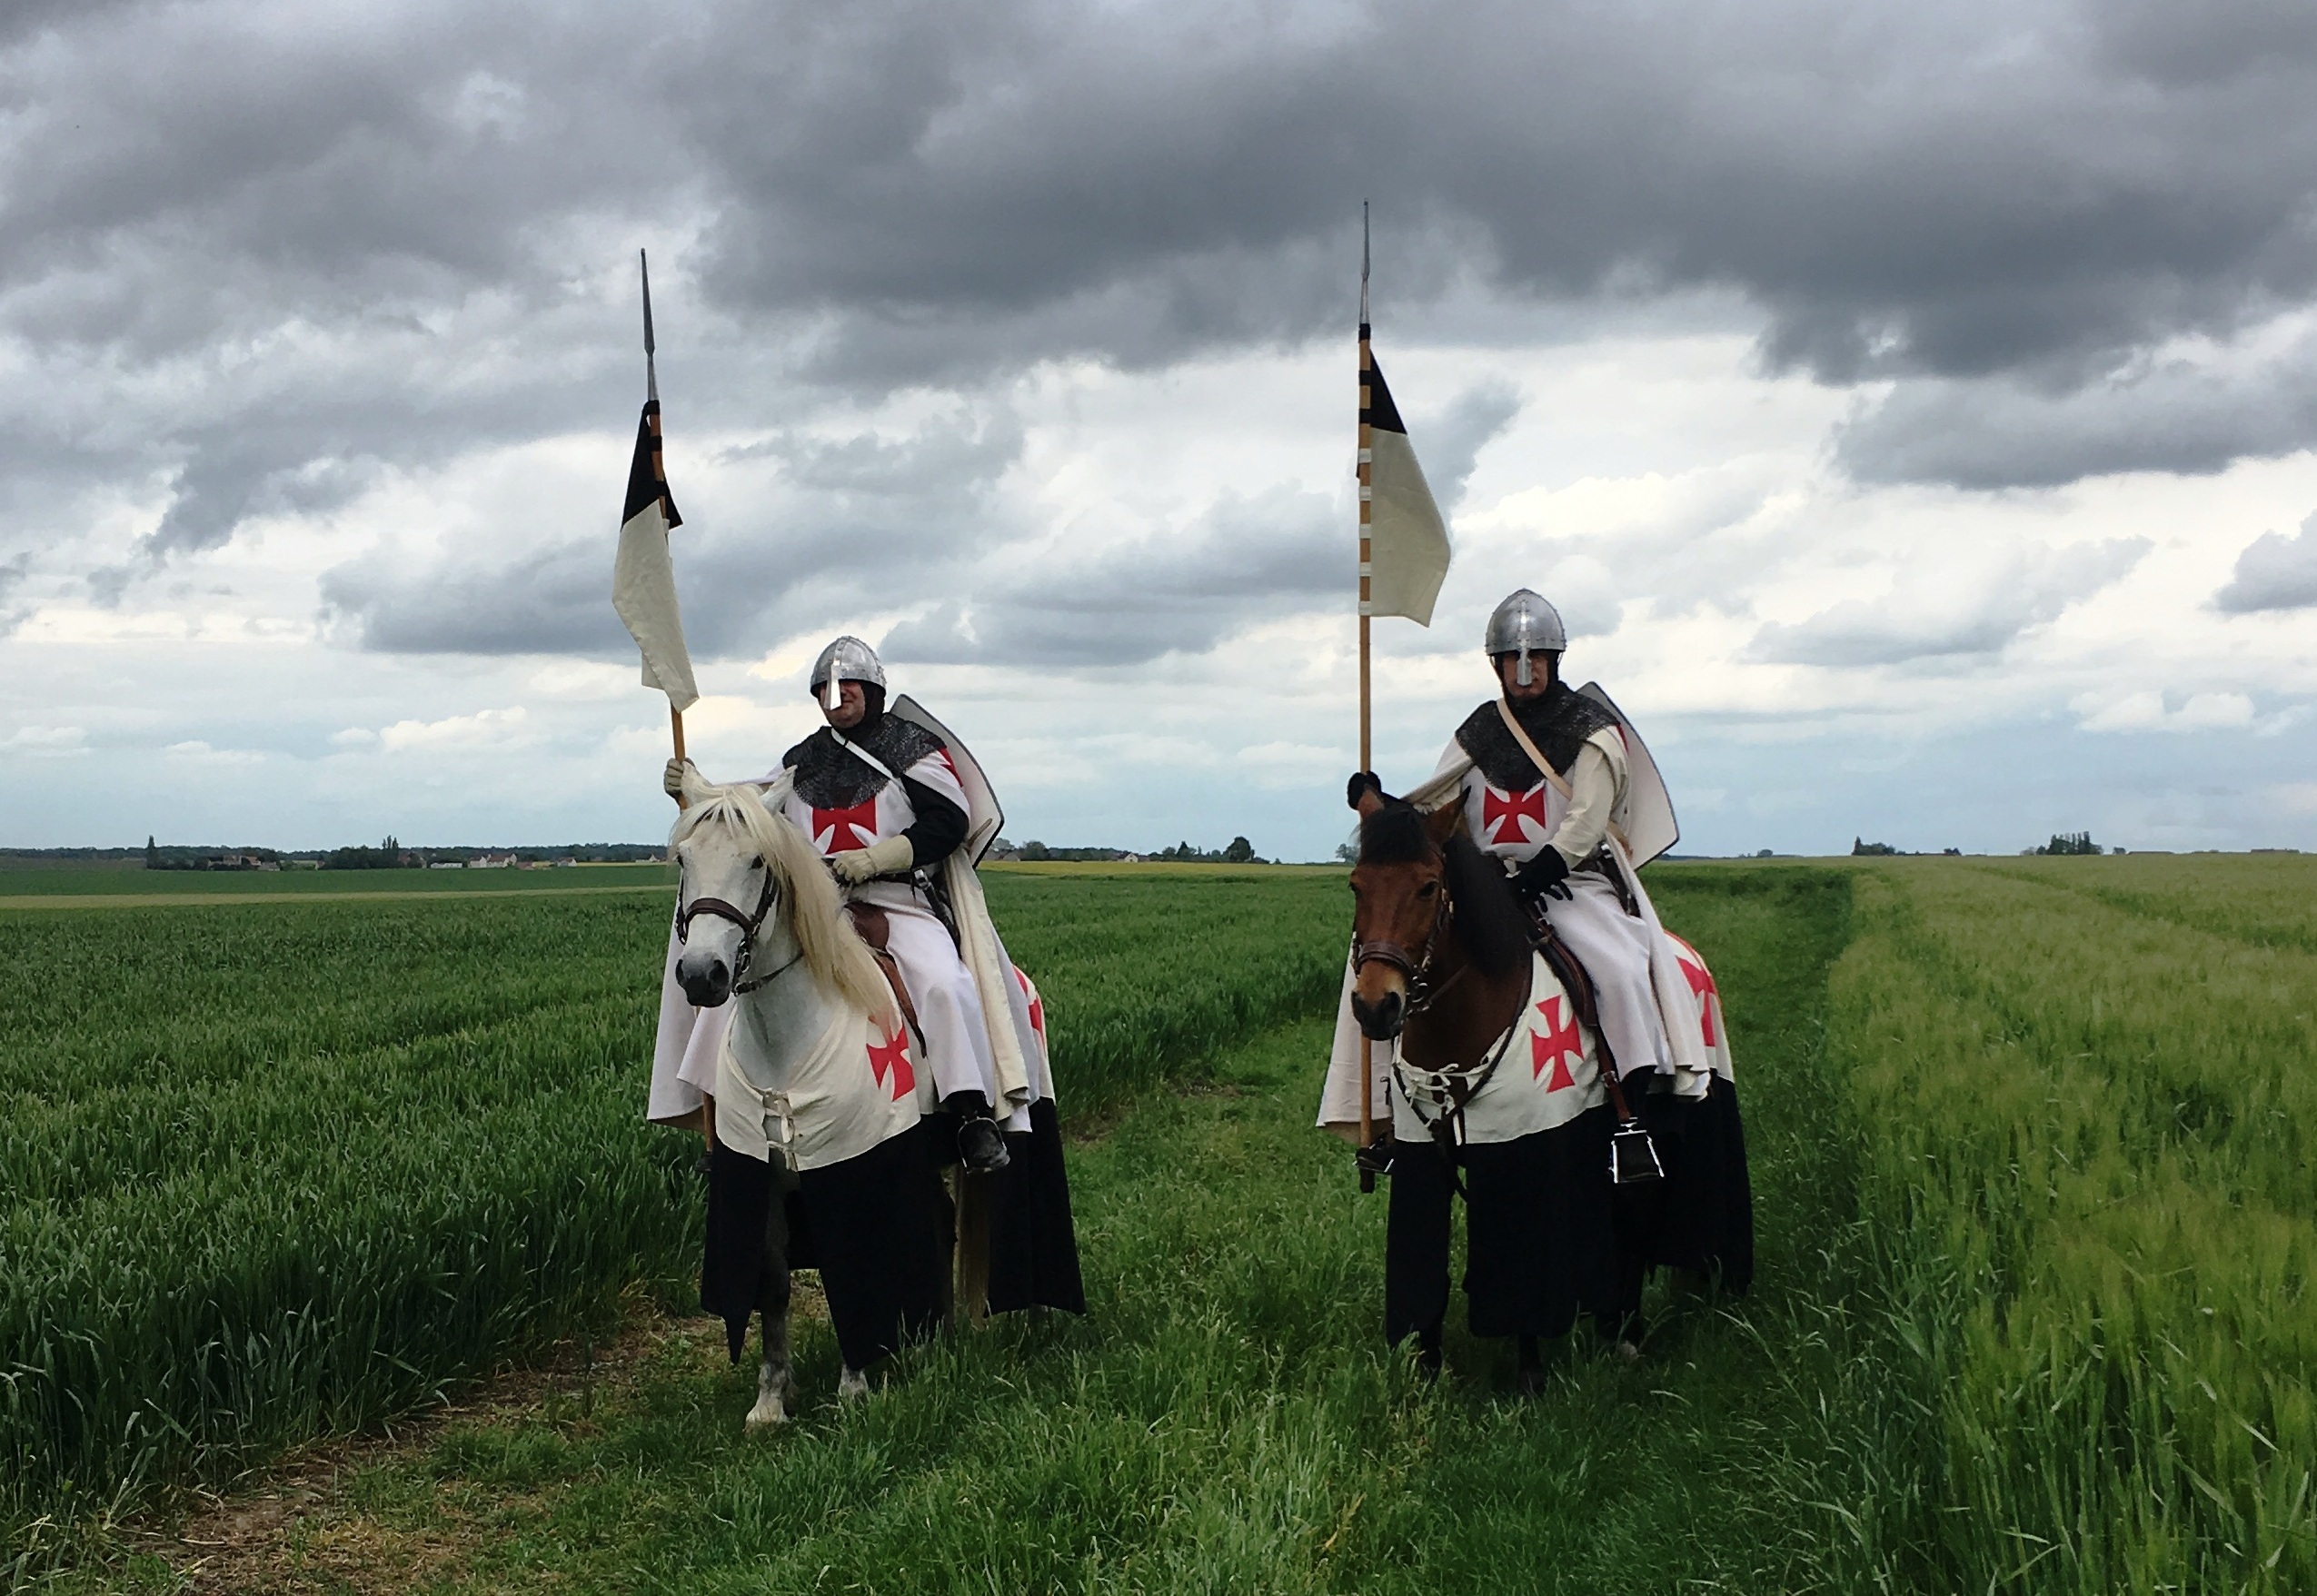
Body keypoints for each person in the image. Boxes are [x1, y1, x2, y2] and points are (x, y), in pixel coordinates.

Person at [654, 636, 1015, 1173]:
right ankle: (720, 1128)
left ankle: (969, 1114)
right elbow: (753, 803)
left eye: (847, 686)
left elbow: (950, 821)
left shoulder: (911, 747)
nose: (836, 695)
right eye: (825, 687)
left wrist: (874, 860)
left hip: (898, 902)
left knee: (943, 983)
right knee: (737, 986)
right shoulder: (804, 759)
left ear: (872, 689)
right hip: (819, 908)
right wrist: (698, 787)